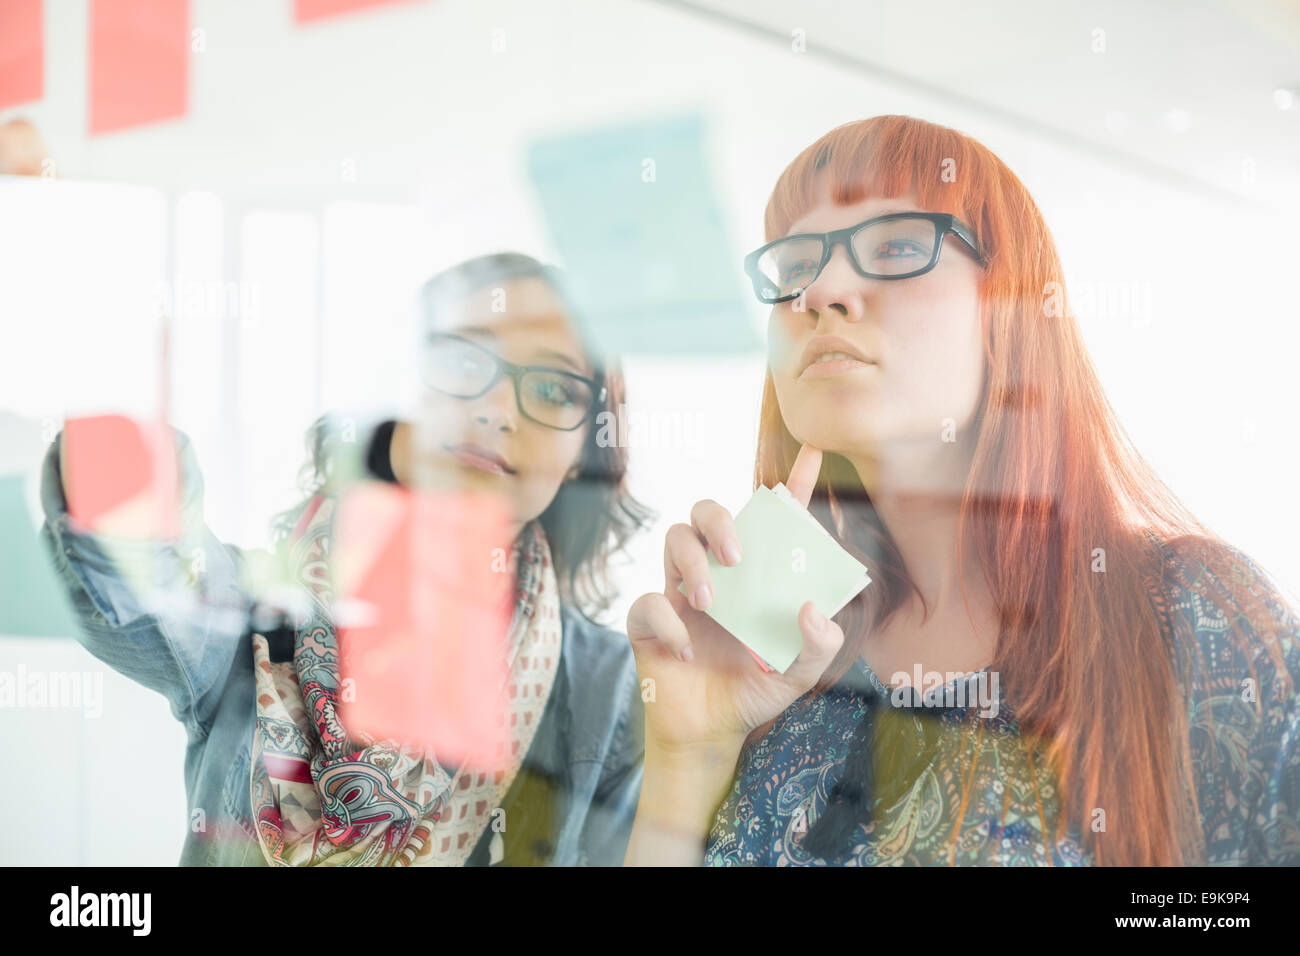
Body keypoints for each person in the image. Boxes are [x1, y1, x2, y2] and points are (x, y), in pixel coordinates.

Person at [622, 115, 1300, 866]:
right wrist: (685, 761)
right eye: (794, 266)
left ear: (1010, 310)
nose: (819, 292)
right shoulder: (764, 656)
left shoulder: (1192, 618)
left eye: (900, 247)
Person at [40, 251, 653, 866]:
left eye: (553, 388)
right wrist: (119, 412)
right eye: (463, 359)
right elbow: (138, 574)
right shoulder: (251, 613)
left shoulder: (612, 689)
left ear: (584, 447)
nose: (498, 408)